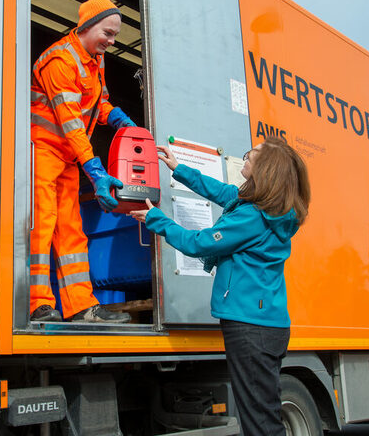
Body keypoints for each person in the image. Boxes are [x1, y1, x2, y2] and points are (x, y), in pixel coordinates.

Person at [130, 137, 310, 436]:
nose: (246, 159)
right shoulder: (270, 211)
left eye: (250, 157)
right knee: (263, 414)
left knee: (260, 423)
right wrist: (180, 168)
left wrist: (157, 220)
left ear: (264, 171)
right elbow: (224, 192)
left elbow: (197, 243)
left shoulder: (251, 217)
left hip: (250, 328)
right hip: (268, 325)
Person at [30, 0, 135, 323]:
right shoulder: (60, 60)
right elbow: (71, 122)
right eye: (107, 32)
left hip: (68, 155)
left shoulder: (94, 58)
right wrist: (95, 171)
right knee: (42, 225)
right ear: (87, 26)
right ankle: (39, 303)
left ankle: (81, 307)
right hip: (45, 150)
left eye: (115, 35)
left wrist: (114, 115)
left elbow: (97, 101)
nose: (112, 41)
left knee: (72, 230)